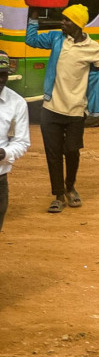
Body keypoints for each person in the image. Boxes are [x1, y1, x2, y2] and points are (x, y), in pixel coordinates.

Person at [26, 4, 99, 213]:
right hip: (51, 109)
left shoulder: (93, 49)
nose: (62, 22)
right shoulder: (56, 39)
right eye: (63, 19)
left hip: (76, 111)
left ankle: (70, 187)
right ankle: (59, 196)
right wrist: (33, 16)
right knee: (53, 155)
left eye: (67, 20)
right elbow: (31, 40)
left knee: (71, 151)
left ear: (78, 25)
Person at [0, 50, 30, 230]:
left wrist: (5, 153)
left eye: (3, 75)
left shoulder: (17, 103)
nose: (0, 80)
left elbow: (22, 141)